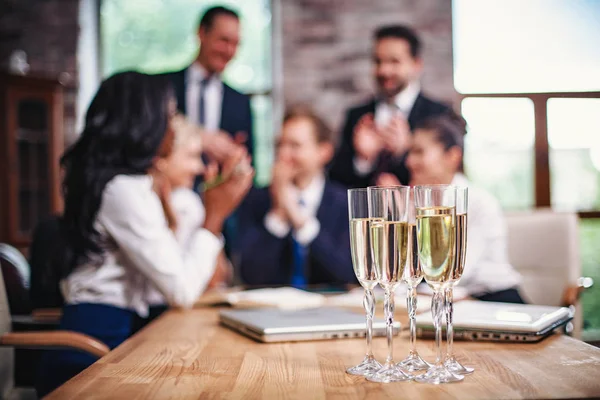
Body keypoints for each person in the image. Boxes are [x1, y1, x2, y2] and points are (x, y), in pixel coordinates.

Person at [36, 71, 253, 396]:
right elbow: (180, 289)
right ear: (144, 123)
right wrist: (214, 217)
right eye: (167, 115)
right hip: (92, 349)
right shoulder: (123, 190)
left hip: (117, 332)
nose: (173, 126)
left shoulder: (129, 186)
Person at [378, 112, 524, 303]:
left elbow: (452, 272)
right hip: (442, 301)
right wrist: (400, 215)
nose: (409, 162)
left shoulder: (478, 203)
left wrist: (403, 215)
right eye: (409, 152)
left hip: (494, 301)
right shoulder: (416, 202)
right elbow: (404, 274)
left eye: (419, 152)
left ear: (452, 156)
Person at [237, 107, 356, 286]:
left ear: (324, 152)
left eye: (295, 146)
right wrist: (278, 214)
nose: (284, 155)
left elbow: (346, 273)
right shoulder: (257, 199)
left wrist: (299, 219)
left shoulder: (344, 203)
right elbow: (250, 275)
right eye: (280, 145)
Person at [329, 24, 449, 188]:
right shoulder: (356, 115)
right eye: (378, 61)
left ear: (416, 65)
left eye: (394, 61)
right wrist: (362, 159)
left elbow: (447, 178)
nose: (384, 70)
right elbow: (336, 182)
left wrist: (406, 151)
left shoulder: (439, 115)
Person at [167, 5, 253, 163]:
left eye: (235, 44)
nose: (229, 51)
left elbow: (249, 162)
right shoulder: (164, 87)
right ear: (201, 33)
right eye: (223, 40)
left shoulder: (241, 102)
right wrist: (200, 137)